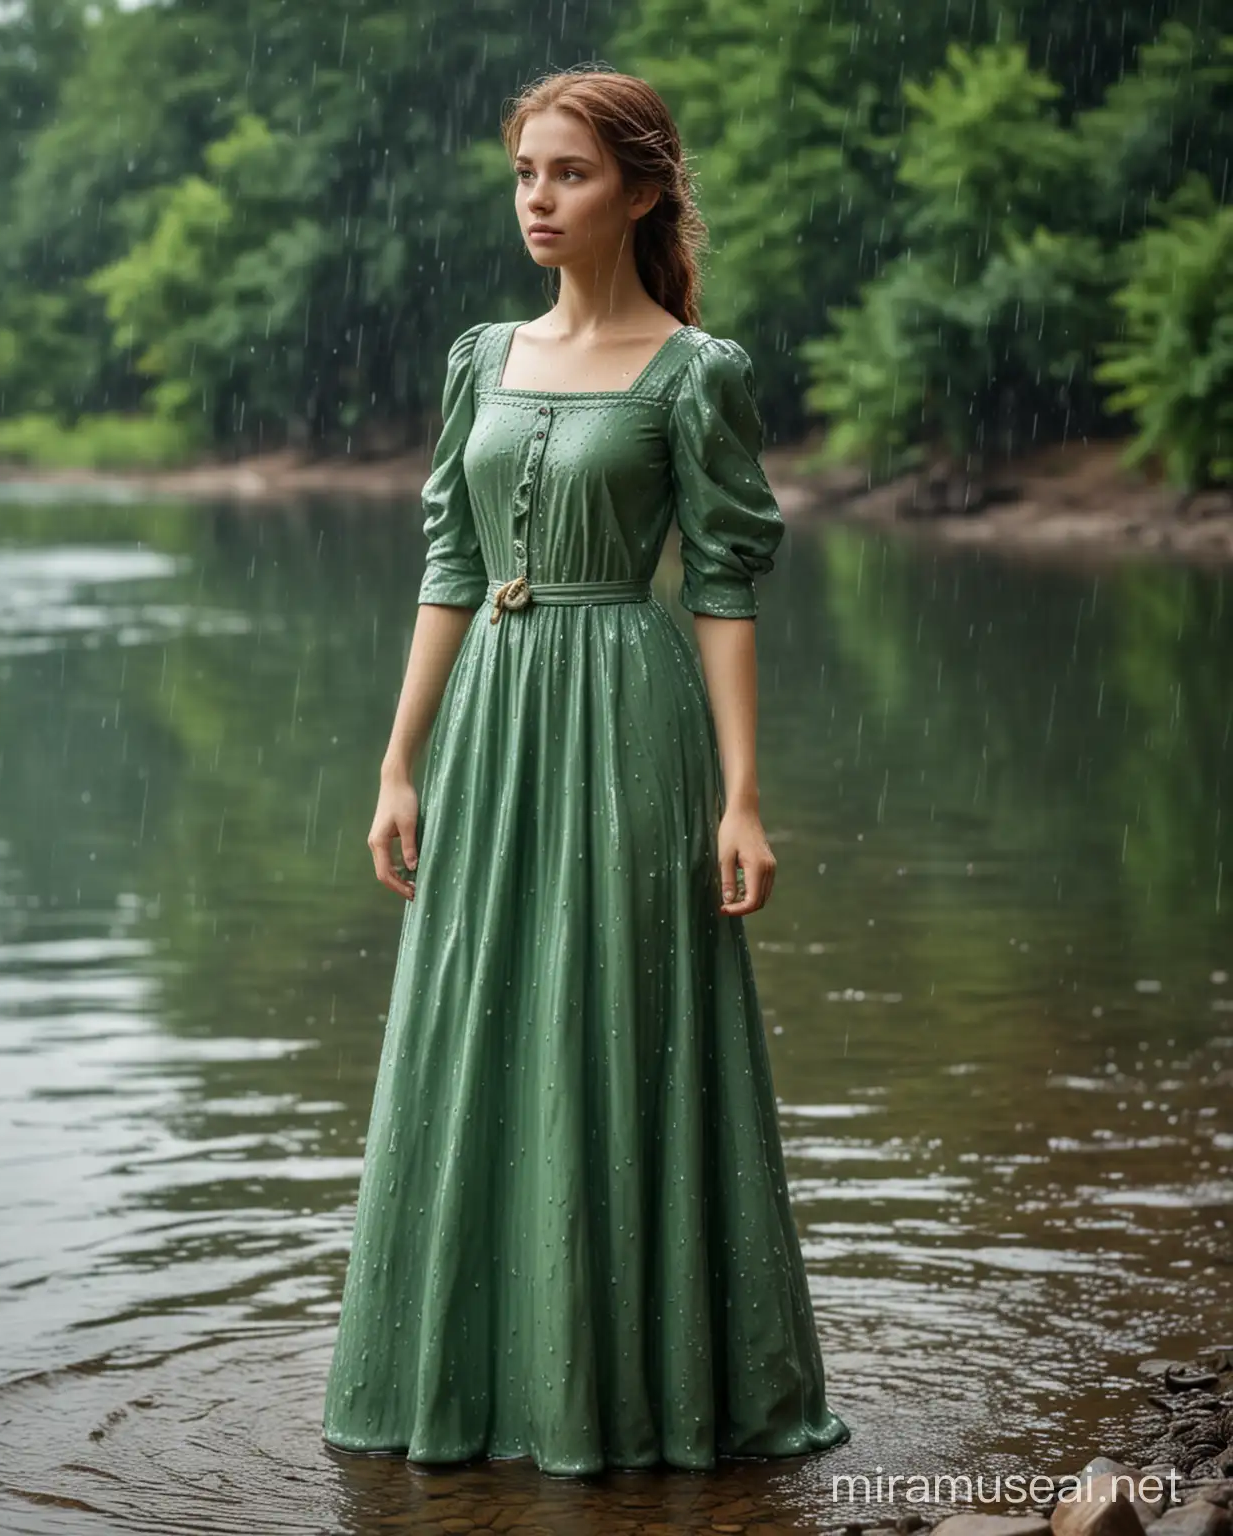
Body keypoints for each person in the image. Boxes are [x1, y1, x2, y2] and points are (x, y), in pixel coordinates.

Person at [321, 64, 852, 1478]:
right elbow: (449, 560)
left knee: (621, 1025)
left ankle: (644, 1388)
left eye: (567, 173)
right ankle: (475, 1385)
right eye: (524, 174)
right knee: (476, 1018)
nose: (537, 200)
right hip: (493, 721)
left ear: (640, 189)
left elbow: (727, 585)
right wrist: (397, 763)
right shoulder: (476, 358)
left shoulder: (697, 371)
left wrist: (742, 796)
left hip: (631, 716)